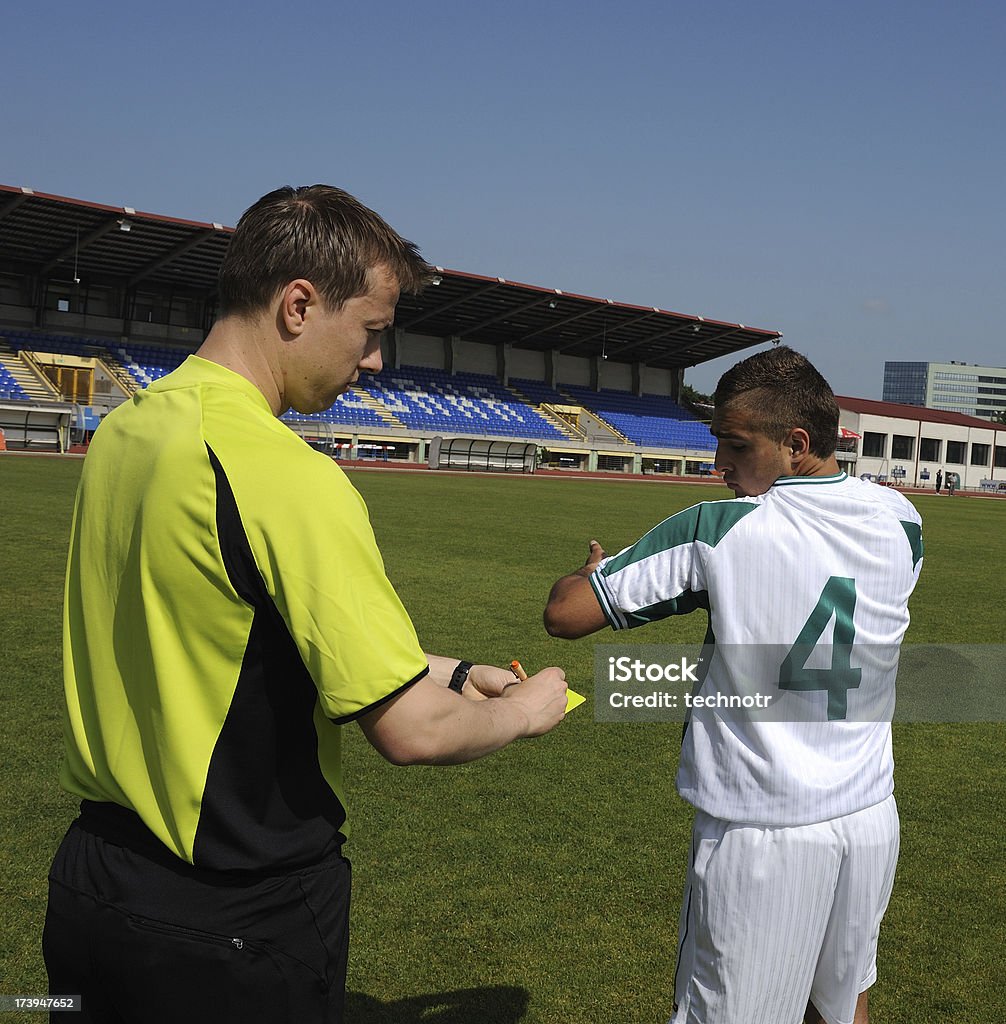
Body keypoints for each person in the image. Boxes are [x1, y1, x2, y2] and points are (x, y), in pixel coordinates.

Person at [44, 185, 569, 1023]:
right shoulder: (285, 473)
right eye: (369, 330)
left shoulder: (129, 430)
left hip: (91, 888)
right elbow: (413, 729)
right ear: (298, 305)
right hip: (233, 918)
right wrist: (529, 711)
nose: (374, 364)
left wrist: (457, 669)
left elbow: (245, 623)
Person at [544, 346, 923, 1024]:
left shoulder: (719, 530)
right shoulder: (902, 521)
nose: (719, 466)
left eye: (735, 445)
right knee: (842, 1005)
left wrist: (584, 570)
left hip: (760, 831)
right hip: (869, 818)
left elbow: (566, 616)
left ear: (796, 444)